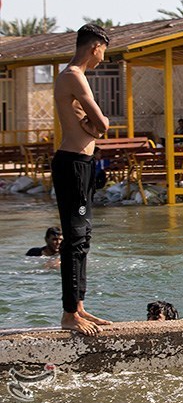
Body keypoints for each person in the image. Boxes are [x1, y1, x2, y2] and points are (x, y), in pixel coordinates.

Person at [52, 23, 113, 336]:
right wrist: (96, 125)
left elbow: (94, 125)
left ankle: (79, 307)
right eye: (104, 51)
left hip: (82, 162)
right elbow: (102, 123)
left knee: (83, 238)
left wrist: (92, 126)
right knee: (75, 238)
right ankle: (68, 314)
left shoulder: (76, 76)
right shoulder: (73, 76)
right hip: (72, 163)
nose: (104, 57)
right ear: (95, 47)